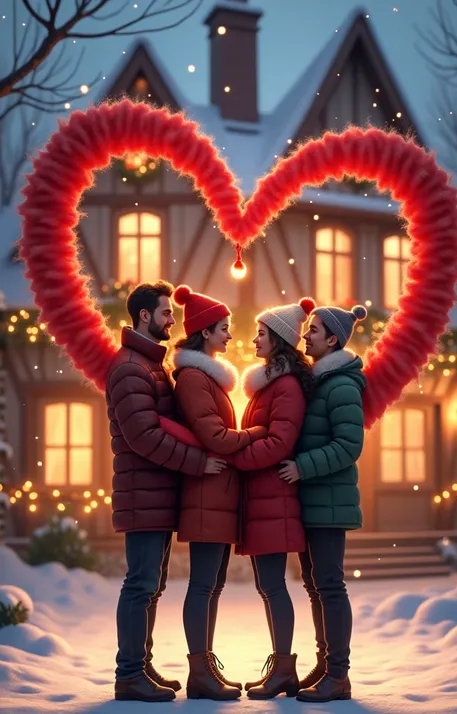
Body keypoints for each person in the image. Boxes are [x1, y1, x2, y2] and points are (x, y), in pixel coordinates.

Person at [106, 281, 226, 703]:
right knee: (140, 583)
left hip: (156, 493)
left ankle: (141, 665)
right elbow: (144, 437)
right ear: (144, 316)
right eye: (165, 312)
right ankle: (128, 674)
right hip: (143, 494)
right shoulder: (129, 369)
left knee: (151, 585)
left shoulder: (149, 365)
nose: (172, 319)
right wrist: (198, 462)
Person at [170, 285, 267, 701]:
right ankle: (199, 671)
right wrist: (258, 432)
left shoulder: (207, 378)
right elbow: (214, 435)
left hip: (218, 496)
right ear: (205, 332)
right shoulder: (194, 379)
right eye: (223, 329)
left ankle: (205, 665)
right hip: (207, 496)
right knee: (203, 584)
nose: (230, 336)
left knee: (212, 585)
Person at [278, 304, 367, 704]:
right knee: (316, 587)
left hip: (329, 501)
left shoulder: (342, 384)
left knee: (330, 586)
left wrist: (301, 467)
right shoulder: (320, 380)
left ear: (332, 338)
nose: (306, 335)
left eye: (314, 330)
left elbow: (350, 446)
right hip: (314, 500)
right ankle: (325, 664)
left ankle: (339, 675)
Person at [231, 298, 316, 700]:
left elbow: (280, 441)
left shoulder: (285, 386)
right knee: (270, 585)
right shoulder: (272, 384)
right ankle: (281, 665)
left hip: (274, 499)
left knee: (274, 585)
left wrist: (237, 459)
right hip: (265, 499)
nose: (254, 339)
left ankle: (284, 667)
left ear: (279, 339)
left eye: (261, 333)